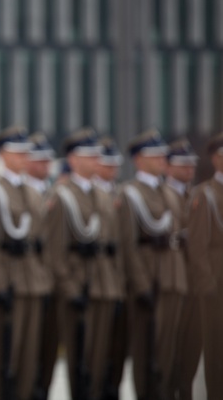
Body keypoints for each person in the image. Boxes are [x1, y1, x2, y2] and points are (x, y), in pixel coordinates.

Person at [42, 128, 123, 400]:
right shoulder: (62, 196)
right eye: (88, 157)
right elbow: (55, 251)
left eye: (96, 156)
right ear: (74, 160)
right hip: (79, 286)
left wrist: (117, 285)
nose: (95, 162)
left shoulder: (103, 195)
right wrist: (70, 289)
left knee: (102, 361)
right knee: (81, 362)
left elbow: (114, 246)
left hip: (104, 284)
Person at [0, 126, 51, 400]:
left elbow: (42, 243)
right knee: (10, 356)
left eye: (25, 153)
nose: (23, 158)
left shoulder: (32, 192)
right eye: (16, 152)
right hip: (11, 281)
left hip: (33, 282)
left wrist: (44, 280)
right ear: (3, 154)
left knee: (30, 357)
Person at [117, 129, 187, 400]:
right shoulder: (131, 193)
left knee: (170, 352)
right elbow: (128, 244)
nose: (161, 159)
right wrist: (141, 284)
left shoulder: (167, 192)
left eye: (162, 155)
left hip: (173, 277)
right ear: (138, 160)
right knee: (148, 353)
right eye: (154, 155)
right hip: (150, 280)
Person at [164, 138, 201, 400]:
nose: (189, 169)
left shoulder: (197, 196)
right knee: (168, 346)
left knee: (191, 345)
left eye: (191, 164)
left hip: (196, 281)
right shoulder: (161, 194)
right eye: (182, 164)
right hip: (170, 278)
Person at [187, 132, 223, 399]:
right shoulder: (205, 194)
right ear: (215, 159)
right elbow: (197, 244)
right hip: (216, 281)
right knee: (216, 349)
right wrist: (207, 283)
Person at [92, 136, 128, 400]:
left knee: (116, 350)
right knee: (93, 351)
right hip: (93, 281)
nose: (113, 168)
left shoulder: (118, 194)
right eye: (107, 163)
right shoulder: (80, 194)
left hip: (116, 280)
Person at [24, 131, 58, 400]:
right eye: (39, 160)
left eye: (48, 160)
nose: (45, 165)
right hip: (23, 280)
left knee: (46, 351)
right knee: (19, 356)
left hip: (50, 280)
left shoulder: (53, 193)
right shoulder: (9, 193)